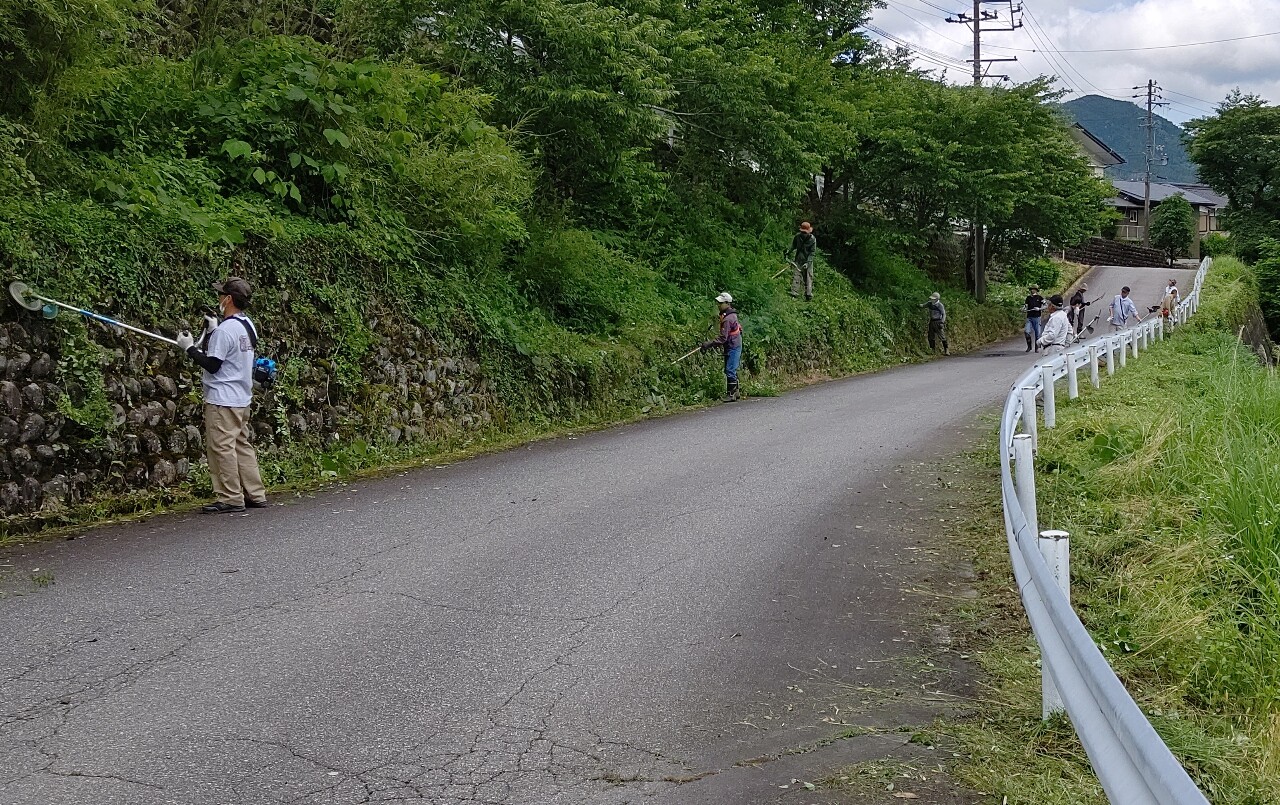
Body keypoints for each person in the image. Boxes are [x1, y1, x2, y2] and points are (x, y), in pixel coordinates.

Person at [175, 277, 268, 514]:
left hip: (222, 400)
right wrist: (212, 330)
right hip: (241, 398)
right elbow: (230, 352)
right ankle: (255, 493)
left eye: (221, 294)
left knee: (221, 447)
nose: (218, 298)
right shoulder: (246, 324)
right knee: (240, 445)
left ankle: (231, 497)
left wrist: (189, 348)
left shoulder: (226, 331)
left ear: (228, 299)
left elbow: (213, 364)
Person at [700, 292, 743, 402]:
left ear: (727, 303)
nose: (719, 305)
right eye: (718, 303)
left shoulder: (728, 319)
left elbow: (723, 338)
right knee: (730, 369)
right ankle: (736, 392)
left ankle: (731, 394)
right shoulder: (728, 315)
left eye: (721, 303)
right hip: (732, 344)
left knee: (730, 370)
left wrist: (709, 344)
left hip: (733, 346)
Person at [787, 222, 818, 301]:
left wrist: (808, 263)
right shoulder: (797, 237)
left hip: (808, 261)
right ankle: (794, 293)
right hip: (798, 259)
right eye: (802, 232)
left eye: (805, 232)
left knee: (808, 278)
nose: (803, 234)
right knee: (796, 276)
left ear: (809, 232)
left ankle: (808, 295)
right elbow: (793, 246)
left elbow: (812, 253)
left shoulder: (813, 240)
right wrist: (788, 251)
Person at [1024, 285, 1045, 352]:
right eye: (1031, 289)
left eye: (1033, 289)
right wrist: (1023, 309)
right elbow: (1025, 306)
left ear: (1036, 290)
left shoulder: (1040, 298)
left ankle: (1037, 347)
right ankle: (1029, 346)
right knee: (1026, 331)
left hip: (1037, 317)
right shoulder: (1028, 298)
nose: (1032, 290)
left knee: (1037, 333)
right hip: (1029, 317)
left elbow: (1046, 305)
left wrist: (1039, 309)